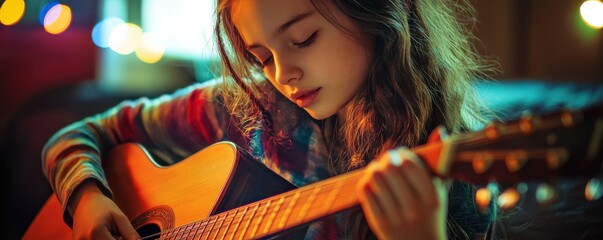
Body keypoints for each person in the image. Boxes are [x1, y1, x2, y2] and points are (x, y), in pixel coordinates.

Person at [41, 0, 498, 239]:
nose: (283, 75)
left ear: (377, 12)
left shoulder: (457, 168)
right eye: (260, 58)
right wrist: (86, 198)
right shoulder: (251, 107)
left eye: (303, 39)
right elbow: (79, 133)